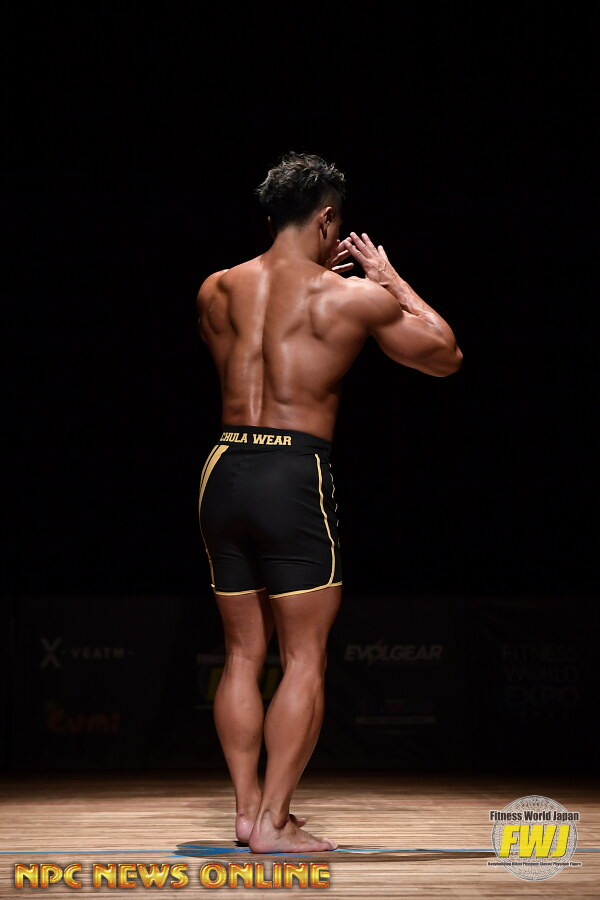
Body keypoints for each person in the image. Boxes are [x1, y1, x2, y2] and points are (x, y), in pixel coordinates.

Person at [195, 151, 463, 853]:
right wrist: (390, 280)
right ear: (327, 220)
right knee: (304, 656)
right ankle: (274, 823)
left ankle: (247, 812)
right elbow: (444, 355)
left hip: (223, 467)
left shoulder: (216, 288)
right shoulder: (348, 297)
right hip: (292, 473)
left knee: (242, 651)